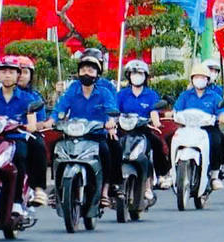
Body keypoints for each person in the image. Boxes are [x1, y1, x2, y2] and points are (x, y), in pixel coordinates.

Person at [54, 52, 122, 203]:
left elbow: (112, 109)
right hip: (74, 134)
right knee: (56, 148)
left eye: (91, 70)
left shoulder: (104, 91)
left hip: (96, 135)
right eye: (83, 70)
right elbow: (61, 108)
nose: (86, 73)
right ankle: (57, 188)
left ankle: (105, 190)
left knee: (108, 150)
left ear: (97, 73)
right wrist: (53, 120)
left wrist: (111, 122)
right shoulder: (72, 89)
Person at [0, 56, 42, 216]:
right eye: (3, 71)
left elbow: (32, 120)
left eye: (11, 72)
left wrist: (30, 125)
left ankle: (18, 202)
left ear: (17, 75)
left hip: (16, 140)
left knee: (19, 158)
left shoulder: (27, 98)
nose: (7, 75)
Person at [116, 59, 172, 192]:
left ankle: (161, 174)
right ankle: (113, 179)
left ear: (145, 76)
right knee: (112, 146)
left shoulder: (151, 95)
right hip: (124, 129)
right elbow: (115, 111)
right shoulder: (122, 94)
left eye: (140, 73)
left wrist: (156, 122)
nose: (137, 76)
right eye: (134, 73)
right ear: (128, 76)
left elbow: (153, 111)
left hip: (143, 129)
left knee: (157, 144)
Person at [173, 62, 224, 189]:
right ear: (192, 79)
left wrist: (222, 116)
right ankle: (172, 172)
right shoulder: (185, 95)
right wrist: (172, 114)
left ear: (208, 80)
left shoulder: (214, 96)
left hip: (207, 129)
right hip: (188, 128)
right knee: (171, 138)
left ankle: (214, 174)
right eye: (196, 77)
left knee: (220, 141)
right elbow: (177, 109)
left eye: (203, 78)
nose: (199, 80)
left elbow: (222, 111)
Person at [15, 55, 50, 205]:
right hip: (1, 136)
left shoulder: (35, 97)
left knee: (39, 146)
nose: (21, 76)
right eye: (18, 71)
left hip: (26, 136)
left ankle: (39, 189)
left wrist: (32, 125)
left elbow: (40, 122)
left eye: (25, 72)